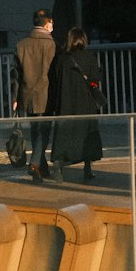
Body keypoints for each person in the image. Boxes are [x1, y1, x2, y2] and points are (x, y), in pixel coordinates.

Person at [48, 27, 104, 184]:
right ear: (83, 40)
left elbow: (54, 79)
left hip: (65, 102)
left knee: (63, 134)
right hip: (85, 102)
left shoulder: (61, 58)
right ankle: (87, 169)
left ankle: (58, 169)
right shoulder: (88, 56)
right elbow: (96, 77)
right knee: (86, 133)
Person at [11, 8, 56, 182]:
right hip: (46, 93)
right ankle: (35, 164)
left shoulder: (21, 44)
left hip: (26, 93)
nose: (52, 26)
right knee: (44, 131)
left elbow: (16, 74)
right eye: (51, 23)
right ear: (46, 24)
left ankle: (42, 168)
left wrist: (15, 97)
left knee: (35, 130)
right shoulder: (51, 44)